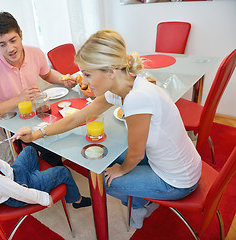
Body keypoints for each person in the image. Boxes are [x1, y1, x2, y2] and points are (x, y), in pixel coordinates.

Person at [14, 29, 202, 228]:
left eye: (87, 74)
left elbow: (136, 154)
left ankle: (139, 205)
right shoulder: (126, 86)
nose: (83, 81)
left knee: (103, 183)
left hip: (178, 180)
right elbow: (76, 118)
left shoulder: (137, 99)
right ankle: (141, 198)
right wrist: (37, 133)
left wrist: (121, 170)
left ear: (111, 72)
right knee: (108, 158)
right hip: (175, 162)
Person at [0, 11, 76, 166]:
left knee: (69, 124)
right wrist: (18, 100)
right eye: (2, 44)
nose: (10, 49)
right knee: (50, 143)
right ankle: (57, 177)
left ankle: (59, 172)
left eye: (13, 40)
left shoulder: (35, 53)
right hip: (13, 123)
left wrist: (63, 79)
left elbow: (46, 74)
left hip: (37, 113)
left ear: (21, 34)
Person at [0, 111, 91, 208]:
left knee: (29, 149)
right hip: (19, 188)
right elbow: (18, 192)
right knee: (62, 171)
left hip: (13, 174)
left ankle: (39, 178)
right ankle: (76, 200)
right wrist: (42, 198)